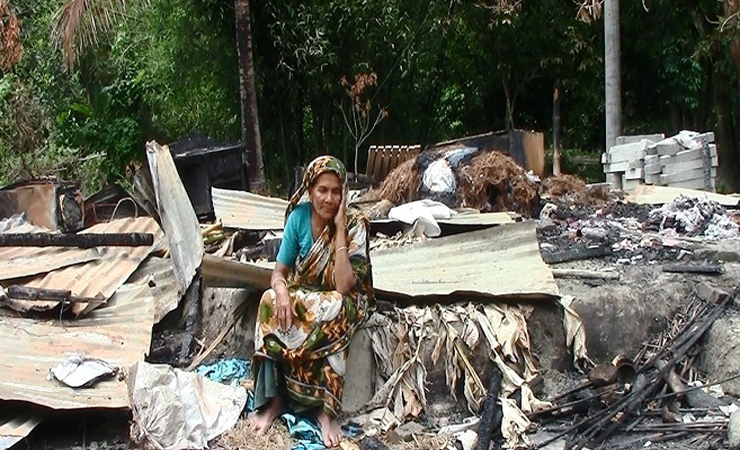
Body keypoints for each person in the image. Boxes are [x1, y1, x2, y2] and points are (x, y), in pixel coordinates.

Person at [248, 155, 374, 448]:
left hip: (344, 301)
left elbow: (344, 286)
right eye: (322, 190)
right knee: (268, 301)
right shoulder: (298, 218)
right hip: (306, 296)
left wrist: (340, 228)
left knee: (335, 307)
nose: (329, 199)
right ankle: (276, 400)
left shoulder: (355, 225)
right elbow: (279, 272)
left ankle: (326, 410)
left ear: (344, 193)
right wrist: (281, 291)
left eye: (335, 191)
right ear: (309, 189)